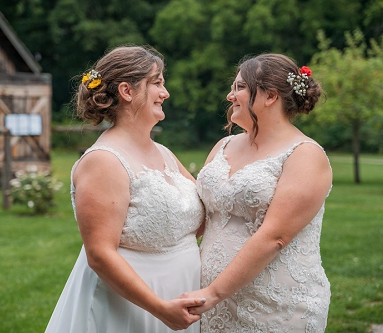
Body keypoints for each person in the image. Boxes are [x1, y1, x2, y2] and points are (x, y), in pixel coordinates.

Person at [44, 45, 205, 333]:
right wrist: (160, 309)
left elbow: (197, 216)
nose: (165, 93)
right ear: (127, 91)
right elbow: (100, 254)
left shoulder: (165, 153)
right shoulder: (103, 161)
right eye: (156, 83)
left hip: (181, 292)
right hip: (132, 306)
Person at [183, 53, 332, 332]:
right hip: (211, 302)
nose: (230, 96)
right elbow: (198, 213)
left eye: (239, 87)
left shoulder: (305, 155)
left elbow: (275, 236)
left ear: (270, 96)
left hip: (274, 305)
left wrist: (214, 292)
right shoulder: (223, 146)